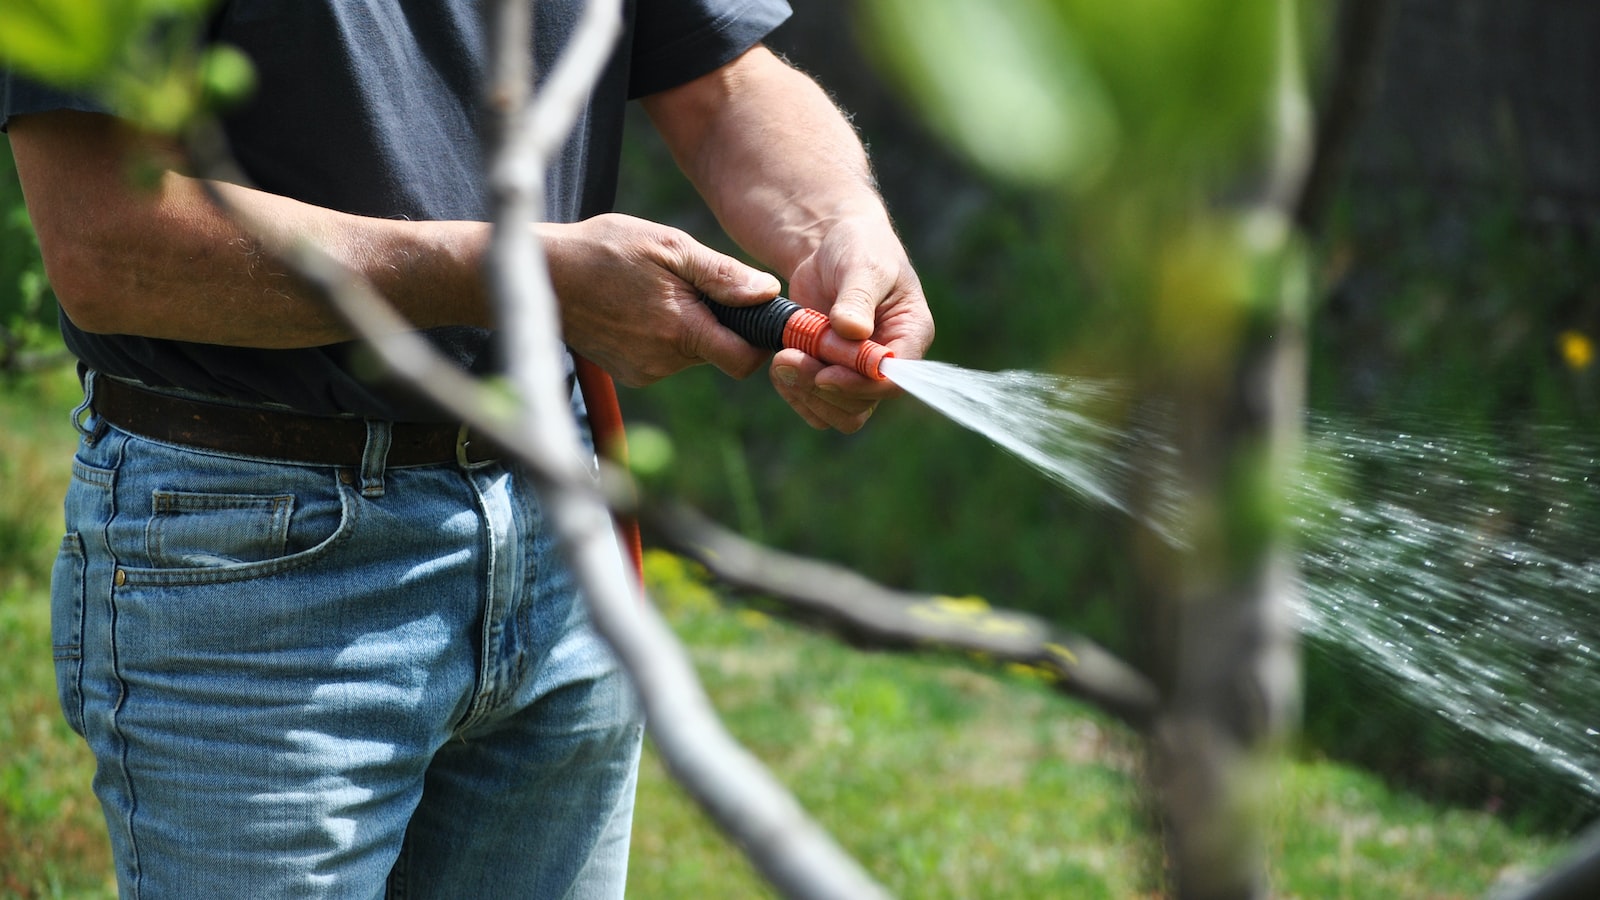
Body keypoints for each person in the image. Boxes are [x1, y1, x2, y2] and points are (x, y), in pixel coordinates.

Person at [2, 0, 933, 896]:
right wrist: (513, 275)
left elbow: (725, 81)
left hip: (558, 518)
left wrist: (840, 224)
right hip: (254, 557)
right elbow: (106, 243)